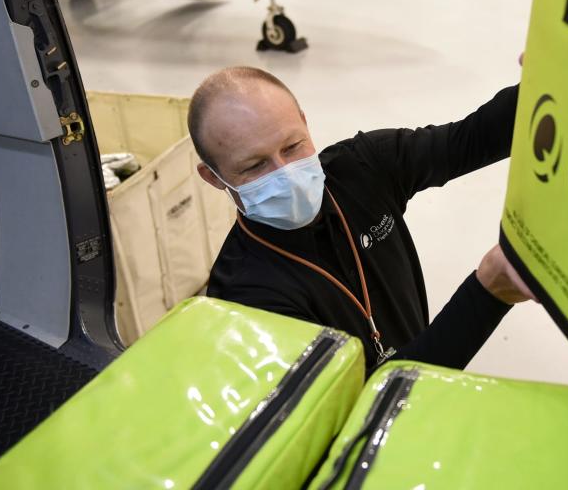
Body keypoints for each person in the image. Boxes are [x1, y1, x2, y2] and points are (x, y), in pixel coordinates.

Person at [190, 66, 535, 372]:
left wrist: (545, 86)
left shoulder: (361, 168)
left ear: (306, 124)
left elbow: (471, 140)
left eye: (293, 146)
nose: (287, 174)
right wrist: (488, 293)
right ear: (213, 177)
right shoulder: (245, 301)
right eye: (254, 166)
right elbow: (365, 407)